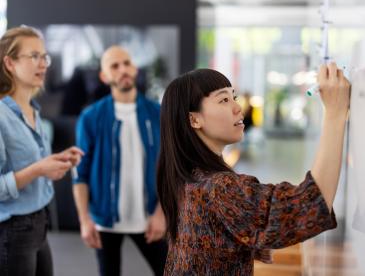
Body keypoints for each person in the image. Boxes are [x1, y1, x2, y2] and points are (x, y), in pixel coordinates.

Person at [156, 64, 350, 275]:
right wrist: (335, 113)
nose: (238, 108)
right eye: (223, 100)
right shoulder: (220, 187)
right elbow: (310, 203)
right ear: (194, 119)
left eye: (234, 97)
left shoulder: (188, 176)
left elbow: (200, 241)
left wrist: (241, 241)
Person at [72, 45, 167, 276]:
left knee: (170, 271)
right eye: (114, 66)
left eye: (126, 63)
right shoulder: (91, 117)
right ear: (104, 76)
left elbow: (170, 169)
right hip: (105, 220)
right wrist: (85, 220)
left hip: (149, 218)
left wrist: (161, 213)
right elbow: (80, 173)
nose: (123, 69)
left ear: (134, 69)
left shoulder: (158, 113)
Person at [0, 26, 83, 276]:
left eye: (44, 56)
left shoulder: (34, 111)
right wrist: (38, 169)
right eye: (33, 56)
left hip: (39, 223)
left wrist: (55, 161)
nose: (43, 64)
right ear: (9, 63)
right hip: (12, 231)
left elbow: (34, 165)